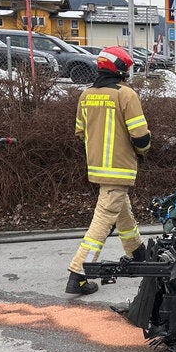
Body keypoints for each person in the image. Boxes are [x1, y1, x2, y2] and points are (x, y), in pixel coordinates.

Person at [66, 46, 151, 295]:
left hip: (97, 166)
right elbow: (140, 136)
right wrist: (144, 149)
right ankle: (78, 274)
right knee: (102, 221)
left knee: (121, 211)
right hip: (120, 167)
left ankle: (137, 253)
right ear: (122, 69)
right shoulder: (125, 95)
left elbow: (80, 131)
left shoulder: (86, 95)